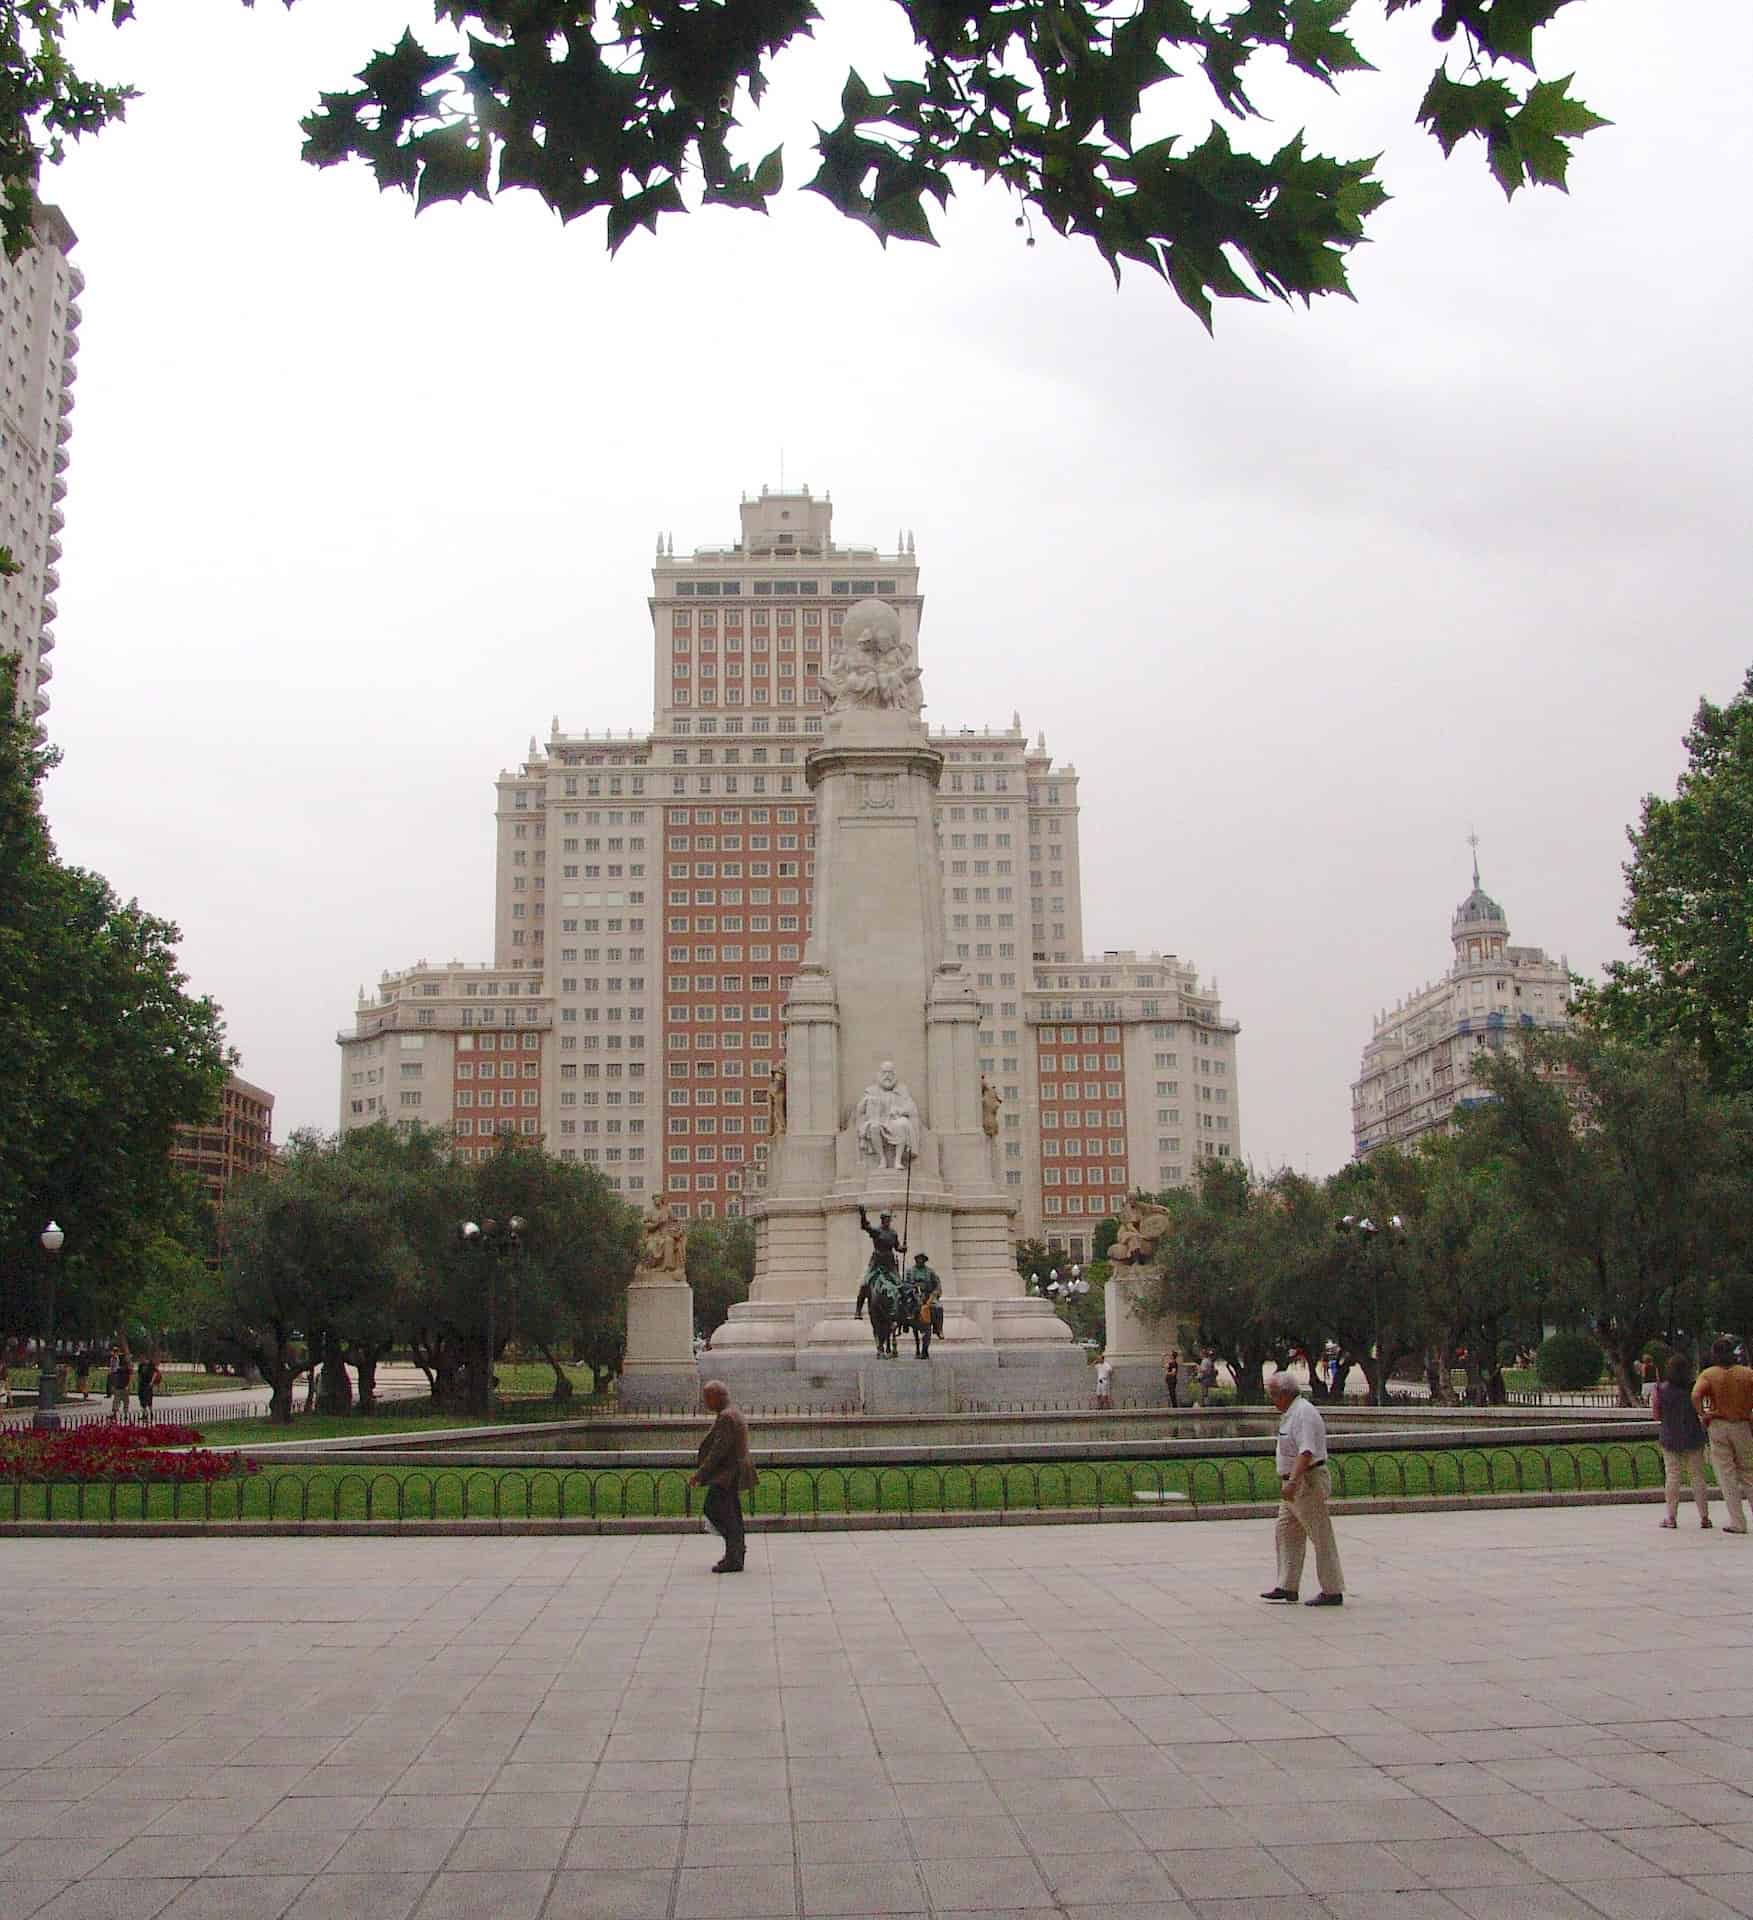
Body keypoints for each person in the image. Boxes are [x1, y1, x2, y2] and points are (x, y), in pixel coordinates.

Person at [1260, 1370, 1345, 1606]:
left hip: (1305, 1482)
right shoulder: (1292, 1412)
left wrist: (1293, 1481)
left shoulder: (1303, 1413)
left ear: (1285, 1394)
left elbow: (1306, 1451)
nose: (1272, 1400)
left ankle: (1332, 1589)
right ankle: (1287, 1585)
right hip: (1293, 1483)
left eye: (1274, 1395)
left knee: (1320, 1535)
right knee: (1286, 1532)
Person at [691, 1380, 758, 1573]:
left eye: (707, 1398)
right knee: (730, 1513)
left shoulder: (727, 1417)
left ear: (717, 1396)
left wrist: (700, 1474)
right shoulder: (732, 1412)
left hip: (727, 1474)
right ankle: (735, 1553)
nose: (705, 1402)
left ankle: (734, 1553)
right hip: (731, 1472)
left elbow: (718, 1450)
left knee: (716, 1510)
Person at [1692, 1336, 1753, 1535]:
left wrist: (1703, 1414)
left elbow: (1696, 1394)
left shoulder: (1709, 1374)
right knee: (1749, 1474)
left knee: (1726, 1475)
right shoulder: (1747, 1374)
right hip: (1742, 1423)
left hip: (1718, 1423)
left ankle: (1738, 1521)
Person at [1655, 1353, 1711, 1530]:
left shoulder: (1660, 1389)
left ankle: (1671, 1517)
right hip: (1693, 1435)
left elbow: (1656, 1414)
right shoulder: (1694, 1388)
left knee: (1672, 1476)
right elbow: (1701, 1408)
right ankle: (1704, 1517)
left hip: (1670, 1436)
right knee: (1697, 1477)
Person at [908, 1252, 942, 1359]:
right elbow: (905, 1284)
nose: (920, 1260)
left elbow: (937, 1286)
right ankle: (903, 1324)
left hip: (928, 1297)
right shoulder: (910, 1272)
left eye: (922, 1259)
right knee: (903, 1306)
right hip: (914, 1296)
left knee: (938, 1307)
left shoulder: (930, 1272)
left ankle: (938, 1328)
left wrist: (933, 1296)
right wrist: (912, 1290)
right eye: (918, 1259)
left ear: (925, 1260)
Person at [108, 1351, 132, 1422]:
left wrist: (113, 1385)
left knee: (117, 1401)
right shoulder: (126, 1369)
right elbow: (129, 1377)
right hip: (124, 1387)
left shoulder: (119, 1369)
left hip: (119, 1387)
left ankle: (116, 1414)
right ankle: (125, 1415)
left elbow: (115, 1377)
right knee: (125, 1402)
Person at [135, 1355, 158, 1422]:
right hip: (142, 1385)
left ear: (145, 1358)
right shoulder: (141, 1365)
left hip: (148, 1385)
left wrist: (151, 1382)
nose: (141, 1360)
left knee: (149, 1399)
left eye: (142, 1359)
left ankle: (151, 1413)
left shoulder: (150, 1364)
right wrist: (138, 1382)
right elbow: (139, 1375)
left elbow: (155, 1373)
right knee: (142, 1399)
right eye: (140, 1359)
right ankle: (145, 1414)